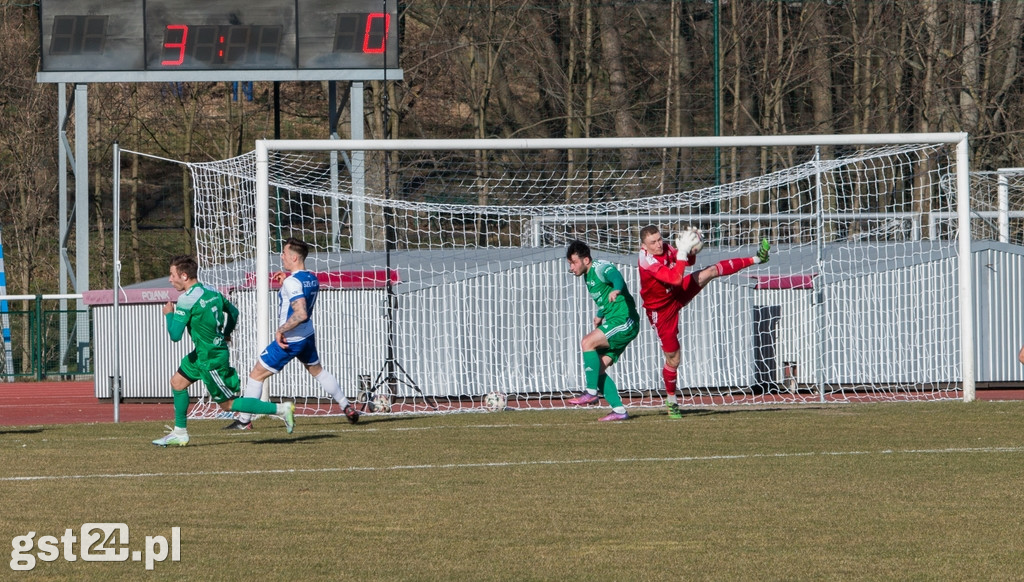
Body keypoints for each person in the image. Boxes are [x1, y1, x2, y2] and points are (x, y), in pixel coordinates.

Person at [154, 255, 295, 447]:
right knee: (177, 383)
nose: (170, 279)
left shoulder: (186, 300)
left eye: (172, 275)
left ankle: (280, 409)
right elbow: (234, 313)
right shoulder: (212, 291)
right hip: (202, 354)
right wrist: (226, 333)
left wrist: (169, 315)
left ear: (184, 276)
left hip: (211, 358)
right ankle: (180, 432)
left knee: (228, 404)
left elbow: (175, 335)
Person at [226, 237, 360, 430]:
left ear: (294, 258)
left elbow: (301, 313)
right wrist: (286, 281)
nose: (282, 257)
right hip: (307, 337)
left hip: (290, 339)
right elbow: (298, 294)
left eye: (285, 254)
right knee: (318, 371)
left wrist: (280, 330)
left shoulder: (292, 283)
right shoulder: (311, 278)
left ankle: (244, 421)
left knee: (256, 375)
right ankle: (346, 405)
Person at [638, 225, 770, 418]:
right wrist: (683, 251)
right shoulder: (646, 260)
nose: (659, 244)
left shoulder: (665, 247)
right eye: (653, 242)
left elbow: (688, 262)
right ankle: (672, 401)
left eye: (659, 239)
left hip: (676, 294)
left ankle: (757, 258)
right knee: (674, 359)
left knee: (710, 271)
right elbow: (675, 278)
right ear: (644, 245)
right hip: (661, 311)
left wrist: (692, 247)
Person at [565, 240, 640, 421]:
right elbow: (604, 299)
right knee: (597, 367)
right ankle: (619, 411)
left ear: (586, 260)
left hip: (625, 320)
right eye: (570, 264)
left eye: (574, 263)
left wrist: (617, 289)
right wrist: (600, 314)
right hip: (616, 320)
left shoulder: (600, 267)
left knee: (587, 342)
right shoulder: (587, 275)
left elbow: (616, 277)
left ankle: (591, 392)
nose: (571, 267)